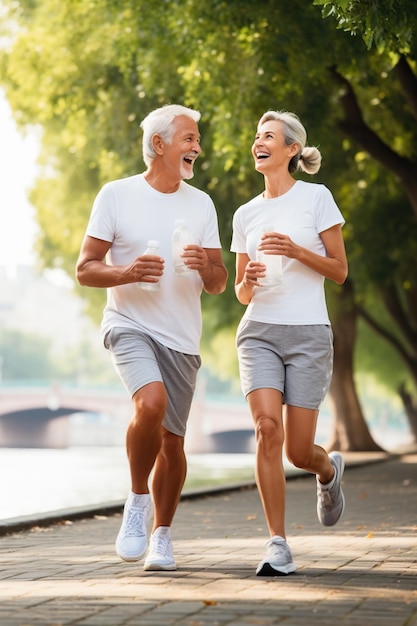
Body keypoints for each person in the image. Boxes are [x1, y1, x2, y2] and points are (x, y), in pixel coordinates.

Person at [76, 104, 228, 571]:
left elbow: (221, 281)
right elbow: (85, 269)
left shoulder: (201, 204)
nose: (197, 147)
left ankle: (162, 534)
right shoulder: (116, 195)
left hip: (182, 336)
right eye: (189, 138)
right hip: (129, 324)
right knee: (151, 404)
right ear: (158, 144)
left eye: (197, 139)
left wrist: (207, 266)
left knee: (173, 443)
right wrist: (126, 271)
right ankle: (137, 499)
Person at [230, 110, 348, 577]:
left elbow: (339, 271)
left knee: (298, 451)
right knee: (267, 430)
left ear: (291, 150)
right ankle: (277, 543)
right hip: (258, 330)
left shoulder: (316, 199)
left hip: (308, 334)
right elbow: (240, 291)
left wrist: (297, 251)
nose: (259, 142)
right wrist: (251, 280)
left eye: (269, 137)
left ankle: (327, 471)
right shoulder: (245, 213)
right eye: (257, 136)